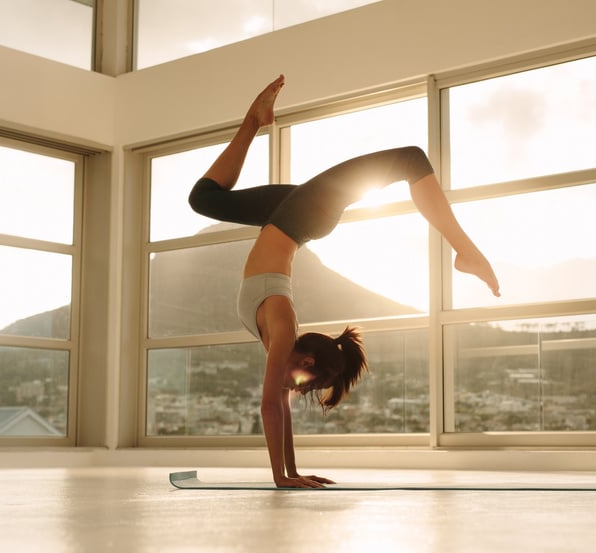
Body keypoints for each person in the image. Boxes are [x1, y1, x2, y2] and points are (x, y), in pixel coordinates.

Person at [189, 75, 500, 488]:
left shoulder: (281, 347)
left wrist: (292, 473)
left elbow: (277, 408)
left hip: (289, 218)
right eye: (307, 382)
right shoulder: (282, 330)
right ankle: (465, 251)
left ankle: (254, 121)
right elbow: (269, 406)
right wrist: (281, 478)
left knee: (205, 199)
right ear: (307, 361)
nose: (296, 388)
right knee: (410, 159)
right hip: (302, 217)